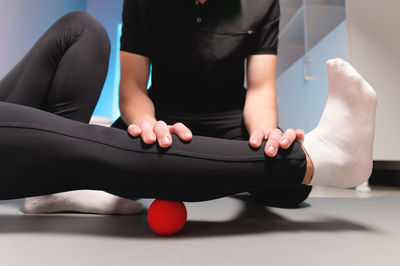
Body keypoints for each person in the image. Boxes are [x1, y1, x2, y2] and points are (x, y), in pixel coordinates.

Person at [1, 10, 377, 216]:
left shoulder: (261, 2)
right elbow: (132, 87)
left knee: (290, 192)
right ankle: (322, 158)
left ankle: (312, 161)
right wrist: (146, 124)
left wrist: (265, 132)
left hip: (230, 115)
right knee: (123, 168)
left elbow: (260, 87)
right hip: (163, 110)